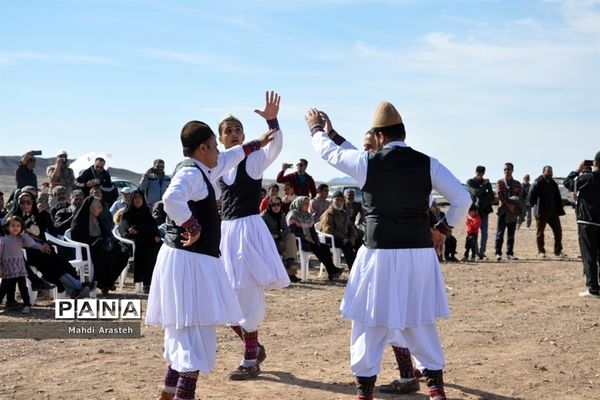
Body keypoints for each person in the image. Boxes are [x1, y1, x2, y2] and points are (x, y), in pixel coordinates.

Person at [305, 102, 471, 400]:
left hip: (379, 253)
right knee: (420, 320)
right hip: (419, 253)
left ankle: (364, 393)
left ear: (379, 137)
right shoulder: (426, 163)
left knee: (369, 321)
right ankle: (435, 389)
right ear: (402, 134)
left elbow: (331, 154)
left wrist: (317, 129)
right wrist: (443, 228)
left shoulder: (368, 164)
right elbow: (462, 199)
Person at [145, 119, 273, 400]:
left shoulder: (204, 166)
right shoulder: (192, 174)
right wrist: (192, 226)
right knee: (196, 335)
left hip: (186, 261)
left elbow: (230, 156)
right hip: (189, 262)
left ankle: (167, 393)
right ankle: (182, 396)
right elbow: (171, 199)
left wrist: (256, 144)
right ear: (203, 148)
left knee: (183, 332)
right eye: (214, 145)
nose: (219, 150)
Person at [218, 91, 291, 380]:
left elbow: (276, 145)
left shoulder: (254, 159)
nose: (234, 134)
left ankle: (250, 359)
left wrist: (272, 120)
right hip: (226, 232)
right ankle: (254, 346)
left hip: (248, 230)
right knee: (222, 297)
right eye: (228, 131)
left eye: (238, 130)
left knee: (247, 292)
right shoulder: (218, 165)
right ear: (220, 138)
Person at [5, 189, 88, 298]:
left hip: (40, 249)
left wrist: (45, 245)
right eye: (22, 202)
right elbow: (18, 235)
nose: (25, 205)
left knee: (59, 261)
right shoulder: (15, 217)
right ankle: (77, 287)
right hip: (25, 252)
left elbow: (44, 233)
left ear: (33, 203)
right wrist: (40, 247)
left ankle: (72, 290)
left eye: (29, 202)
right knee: (49, 262)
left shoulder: (38, 215)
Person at [71, 196, 129, 296]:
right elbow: (77, 238)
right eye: (98, 208)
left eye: (101, 208)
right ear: (91, 207)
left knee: (123, 253)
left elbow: (106, 233)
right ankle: (104, 285)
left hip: (102, 246)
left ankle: (109, 282)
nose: (100, 210)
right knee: (106, 258)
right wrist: (95, 242)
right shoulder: (79, 220)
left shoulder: (99, 218)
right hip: (88, 249)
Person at [564, 154, 600, 298]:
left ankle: (593, 288)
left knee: (589, 255)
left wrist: (577, 169)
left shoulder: (587, 178)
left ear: (595, 162)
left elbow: (568, 183)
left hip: (587, 221)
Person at [287, 196, 343, 280]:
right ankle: (333, 270)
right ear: (299, 204)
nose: (307, 205)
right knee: (316, 247)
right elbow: (292, 231)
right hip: (299, 241)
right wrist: (305, 237)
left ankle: (331, 272)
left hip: (310, 241)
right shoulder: (293, 214)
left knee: (324, 246)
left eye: (308, 203)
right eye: (305, 204)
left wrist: (316, 241)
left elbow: (313, 231)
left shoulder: (308, 216)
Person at [118, 190, 162, 294]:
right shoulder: (127, 214)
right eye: (135, 198)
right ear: (132, 200)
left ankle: (158, 282)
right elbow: (126, 231)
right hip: (135, 243)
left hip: (148, 240)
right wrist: (145, 232)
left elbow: (153, 229)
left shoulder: (146, 213)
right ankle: (146, 283)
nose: (138, 200)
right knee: (145, 250)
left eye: (140, 198)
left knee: (160, 248)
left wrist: (140, 231)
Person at [0, 216, 42, 314]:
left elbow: (31, 243)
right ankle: (7, 302)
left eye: (18, 226)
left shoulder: (20, 239)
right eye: (13, 225)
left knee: (23, 287)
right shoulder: (3, 240)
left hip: (19, 267)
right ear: (7, 227)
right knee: (3, 288)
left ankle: (27, 305)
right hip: (8, 268)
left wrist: (23, 233)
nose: (15, 228)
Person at [528, 166, 566, 258]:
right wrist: (534, 206)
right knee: (540, 233)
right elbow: (531, 196)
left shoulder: (553, 184)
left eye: (551, 171)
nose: (550, 173)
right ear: (543, 172)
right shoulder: (537, 182)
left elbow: (557, 197)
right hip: (541, 212)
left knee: (558, 231)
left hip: (553, 212)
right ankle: (541, 252)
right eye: (548, 171)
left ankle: (558, 251)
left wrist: (559, 208)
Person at [260, 196, 300, 282]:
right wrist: (270, 235)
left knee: (291, 236)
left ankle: (290, 263)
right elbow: (260, 230)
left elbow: (286, 229)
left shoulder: (281, 214)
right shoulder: (264, 215)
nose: (276, 207)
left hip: (278, 238)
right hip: (268, 241)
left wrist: (279, 235)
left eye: (278, 204)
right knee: (286, 247)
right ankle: (289, 273)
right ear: (270, 205)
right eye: (273, 205)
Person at [319, 190, 357, 270]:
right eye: (337, 200)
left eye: (341, 200)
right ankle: (353, 269)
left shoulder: (343, 213)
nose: (339, 202)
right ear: (332, 201)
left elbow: (351, 227)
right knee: (347, 243)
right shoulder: (328, 213)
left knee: (360, 240)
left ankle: (360, 268)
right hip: (331, 239)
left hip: (342, 239)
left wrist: (353, 237)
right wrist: (345, 237)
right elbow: (328, 231)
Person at [495, 163, 523, 262]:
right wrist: (509, 205)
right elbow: (500, 195)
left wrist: (514, 207)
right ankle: (498, 253)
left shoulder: (517, 184)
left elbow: (519, 196)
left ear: (512, 170)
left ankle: (510, 253)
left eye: (509, 169)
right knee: (500, 233)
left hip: (513, 212)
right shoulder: (500, 182)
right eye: (505, 169)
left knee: (511, 234)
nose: (507, 171)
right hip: (503, 210)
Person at [466, 166, 495, 260]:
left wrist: (485, 200)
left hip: (484, 210)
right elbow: (476, 193)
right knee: (473, 233)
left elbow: (492, 196)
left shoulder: (486, 182)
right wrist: (483, 186)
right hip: (474, 212)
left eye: (482, 172)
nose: (480, 174)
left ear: (484, 173)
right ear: (475, 172)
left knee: (484, 233)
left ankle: (482, 253)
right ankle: (475, 252)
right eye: (478, 172)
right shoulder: (470, 182)